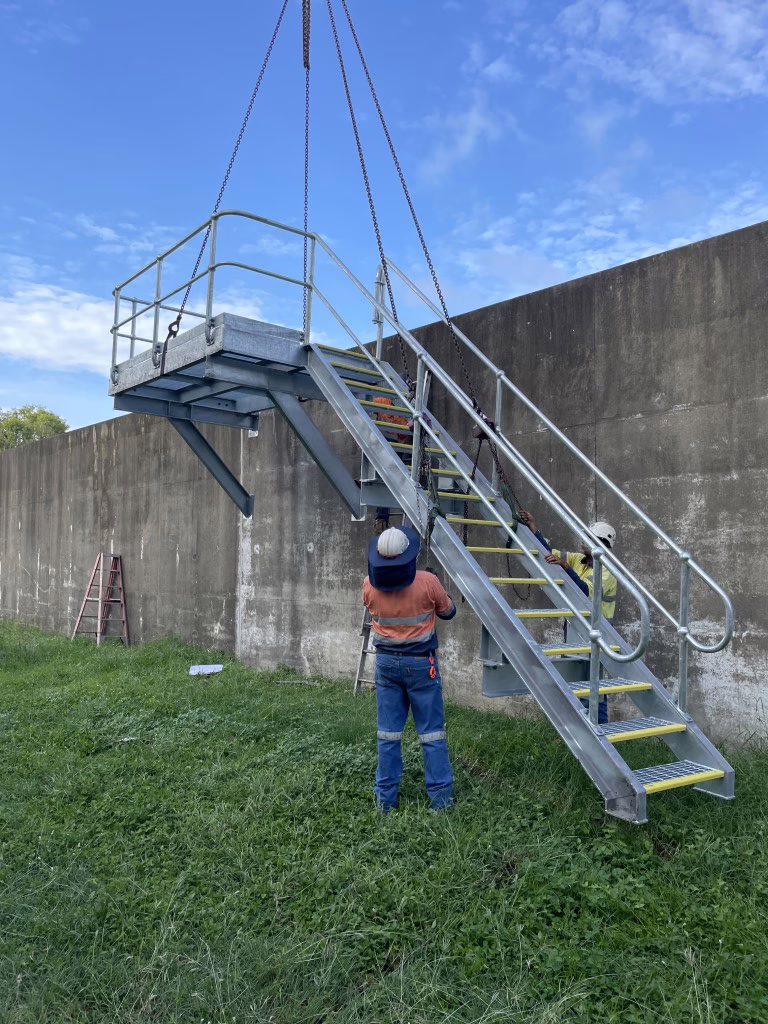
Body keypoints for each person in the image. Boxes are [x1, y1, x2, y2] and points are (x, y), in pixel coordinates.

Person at [363, 526, 457, 812]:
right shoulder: (428, 581)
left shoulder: (368, 584)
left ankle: (385, 801)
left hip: (386, 664)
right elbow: (449, 611)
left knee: (388, 734)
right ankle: (441, 802)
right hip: (421, 664)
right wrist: (436, 585)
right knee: (431, 734)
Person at [519, 510, 618, 723]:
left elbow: (585, 592)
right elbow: (549, 553)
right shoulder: (580, 560)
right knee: (576, 683)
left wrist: (565, 567)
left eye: (589, 539)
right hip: (576, 628)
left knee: (594, 686)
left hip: (597, 633)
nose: (583, 542)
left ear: (599, 543)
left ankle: (600, 728)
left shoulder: (607, 571)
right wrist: (533, 528)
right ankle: (582, 728)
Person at [372, 396, 411, 535]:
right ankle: (381, 519)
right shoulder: (392, 417)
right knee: (387, 483)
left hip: (395, 451)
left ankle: (381, 520)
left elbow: (403, 436)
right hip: (395, 451)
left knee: (386, 483)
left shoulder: (392, 418)